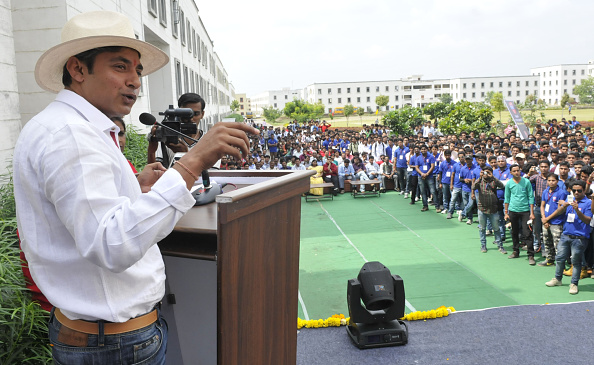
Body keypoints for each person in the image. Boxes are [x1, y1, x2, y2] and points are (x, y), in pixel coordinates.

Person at [13, 11, 258, 364]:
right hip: (115, 345)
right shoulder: (71, 135)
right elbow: (111, 244)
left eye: (137, 70)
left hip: (104, 338)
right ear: (78, 70)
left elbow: (89, 216)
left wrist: (134, 187)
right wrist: (192, 163)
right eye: (119, 67)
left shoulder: (66, 127)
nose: (134, 81)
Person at [545, 180, 592, 294]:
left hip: (579, 238)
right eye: (574, 190)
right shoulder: (569, 199)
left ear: (584, 190)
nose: (576, 193)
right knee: (559, 258)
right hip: (565, 235)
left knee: (576, 262)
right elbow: (560, 212)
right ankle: (557, 279)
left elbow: (587, 220)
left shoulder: (588, 203)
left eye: (579, 190)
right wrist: (563, 206)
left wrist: (577, 210)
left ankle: (574, 284)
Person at [147, 92, 205, 167]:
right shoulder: (167, 137)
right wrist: (151, 149)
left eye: (196, 114)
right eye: (185, 114)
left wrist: (184, 154)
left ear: (202, 114)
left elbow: (210, 175)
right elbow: (154, 171)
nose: (191, 118)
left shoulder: (209, 140)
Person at [505, 164, 536, 265]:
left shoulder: (526, 182)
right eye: (514, 171)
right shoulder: (509, 183)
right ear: (511, 172)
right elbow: (507, 198)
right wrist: (506, 212)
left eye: (518, 170)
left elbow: (531, 197)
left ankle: (531, 255)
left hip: (525, 211)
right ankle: (515, 251)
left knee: (527, 233)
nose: (516, 172)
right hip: (513, 210)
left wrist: (531, 213)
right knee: (514, 232)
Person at [473, 166, 506, 253]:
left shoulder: (493, 181)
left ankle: (500, 245)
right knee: (482, 228)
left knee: (496, 228)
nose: (486, 174)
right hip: (482, 208)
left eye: (488, 172)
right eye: (484, 172)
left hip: (493, 209)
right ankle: (483, 245)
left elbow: (502, 185)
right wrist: (479, 178)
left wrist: (493, 177)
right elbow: (473, 187)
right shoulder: (480, 181)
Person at [539, 173, 567, 266]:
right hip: (546, 221)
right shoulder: (545, 191)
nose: (551, 182)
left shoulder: (561, 193)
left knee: (557, 245)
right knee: (547, 241)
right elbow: (542, 205)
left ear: (557, 181)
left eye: (553, 180)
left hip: (556, 222)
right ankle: (549, 259)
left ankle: (560, 264)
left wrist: (547, 219)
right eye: (549, 180)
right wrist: (543, 218)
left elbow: (560, 210)